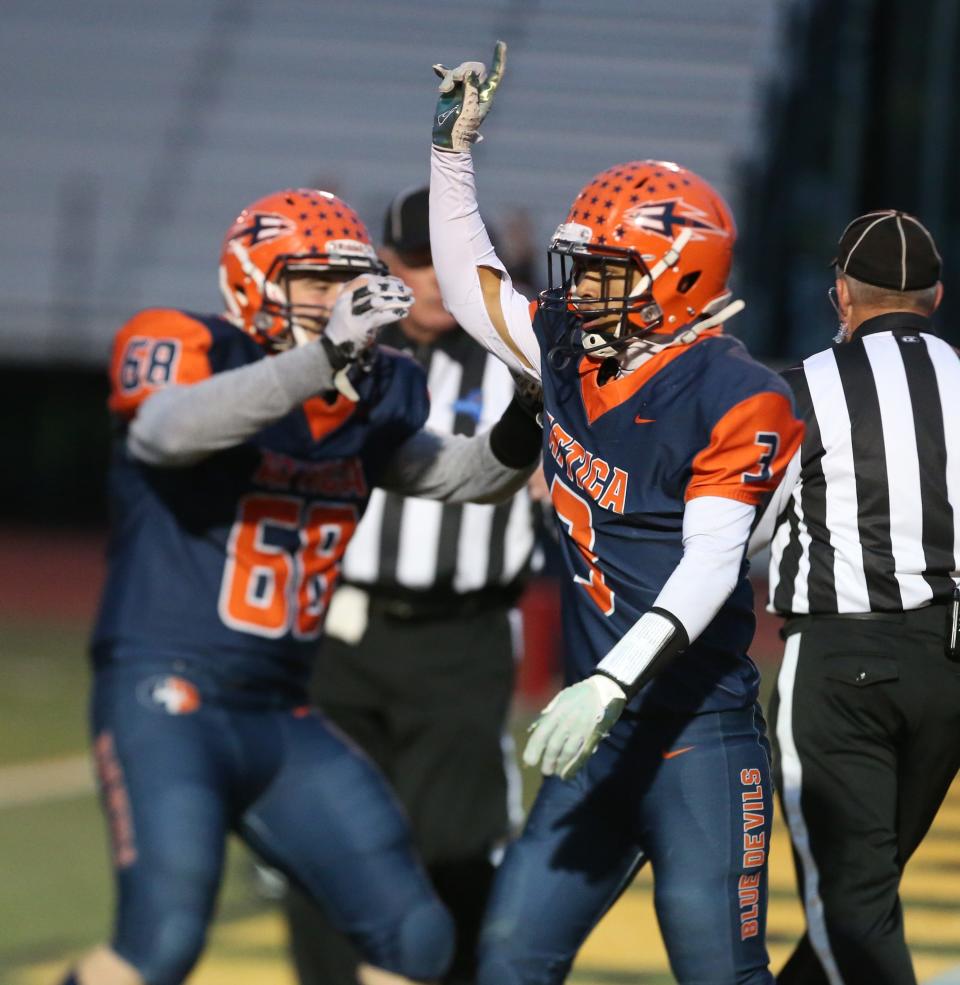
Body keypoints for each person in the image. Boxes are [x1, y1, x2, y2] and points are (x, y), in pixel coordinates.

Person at [62, 186, 542, 985]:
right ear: (255, 279)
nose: (334, 298)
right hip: (167, 693)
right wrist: (317, 361)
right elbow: (166, 431)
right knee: (162, 944)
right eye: (314, 280)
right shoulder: (181, 340)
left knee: (416, 938)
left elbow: (457, 477)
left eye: (345, 280)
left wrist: (527, 413)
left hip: (279, 709)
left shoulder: (379, 383)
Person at [427, 43, 805, 985]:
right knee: (508, 956)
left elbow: (711, 567)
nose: (577, 286)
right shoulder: (571, 347)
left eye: (603, 270)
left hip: (695, 732)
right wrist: (450, 158)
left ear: (674, 277)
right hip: (595, 737)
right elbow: (477, 293)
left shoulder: (736, 393)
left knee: (721, 973)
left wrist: (609, 680)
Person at [283, 186, 536, 985]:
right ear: (384, 265)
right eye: (416, 260)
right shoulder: (339, 353)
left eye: (447, 261)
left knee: (454, 850)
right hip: (338, 632)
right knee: (324, 839)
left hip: (463, 637)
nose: (431, 280)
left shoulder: (525, 358)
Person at [760, 211, 960, 985]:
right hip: (947, 667)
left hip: (840, 662)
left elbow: (740, 528)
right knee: (857, 904)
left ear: (840, 294)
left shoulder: (807, 386)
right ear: (934, 296)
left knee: (852, 907)